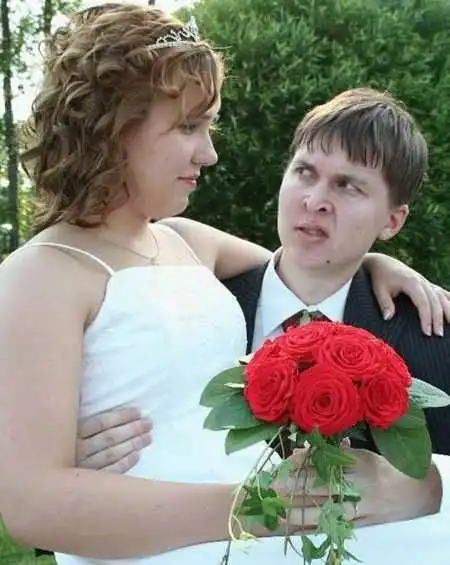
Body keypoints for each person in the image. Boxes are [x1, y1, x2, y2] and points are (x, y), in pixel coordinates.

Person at [0, 4, 447, 565]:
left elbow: (307, 268)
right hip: (178, 544)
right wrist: (262, 508)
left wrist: (381, 261)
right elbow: (31, 508)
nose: (209, 153)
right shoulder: (38, 276)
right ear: (113, 127)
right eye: (189, 126)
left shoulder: (184, 239)